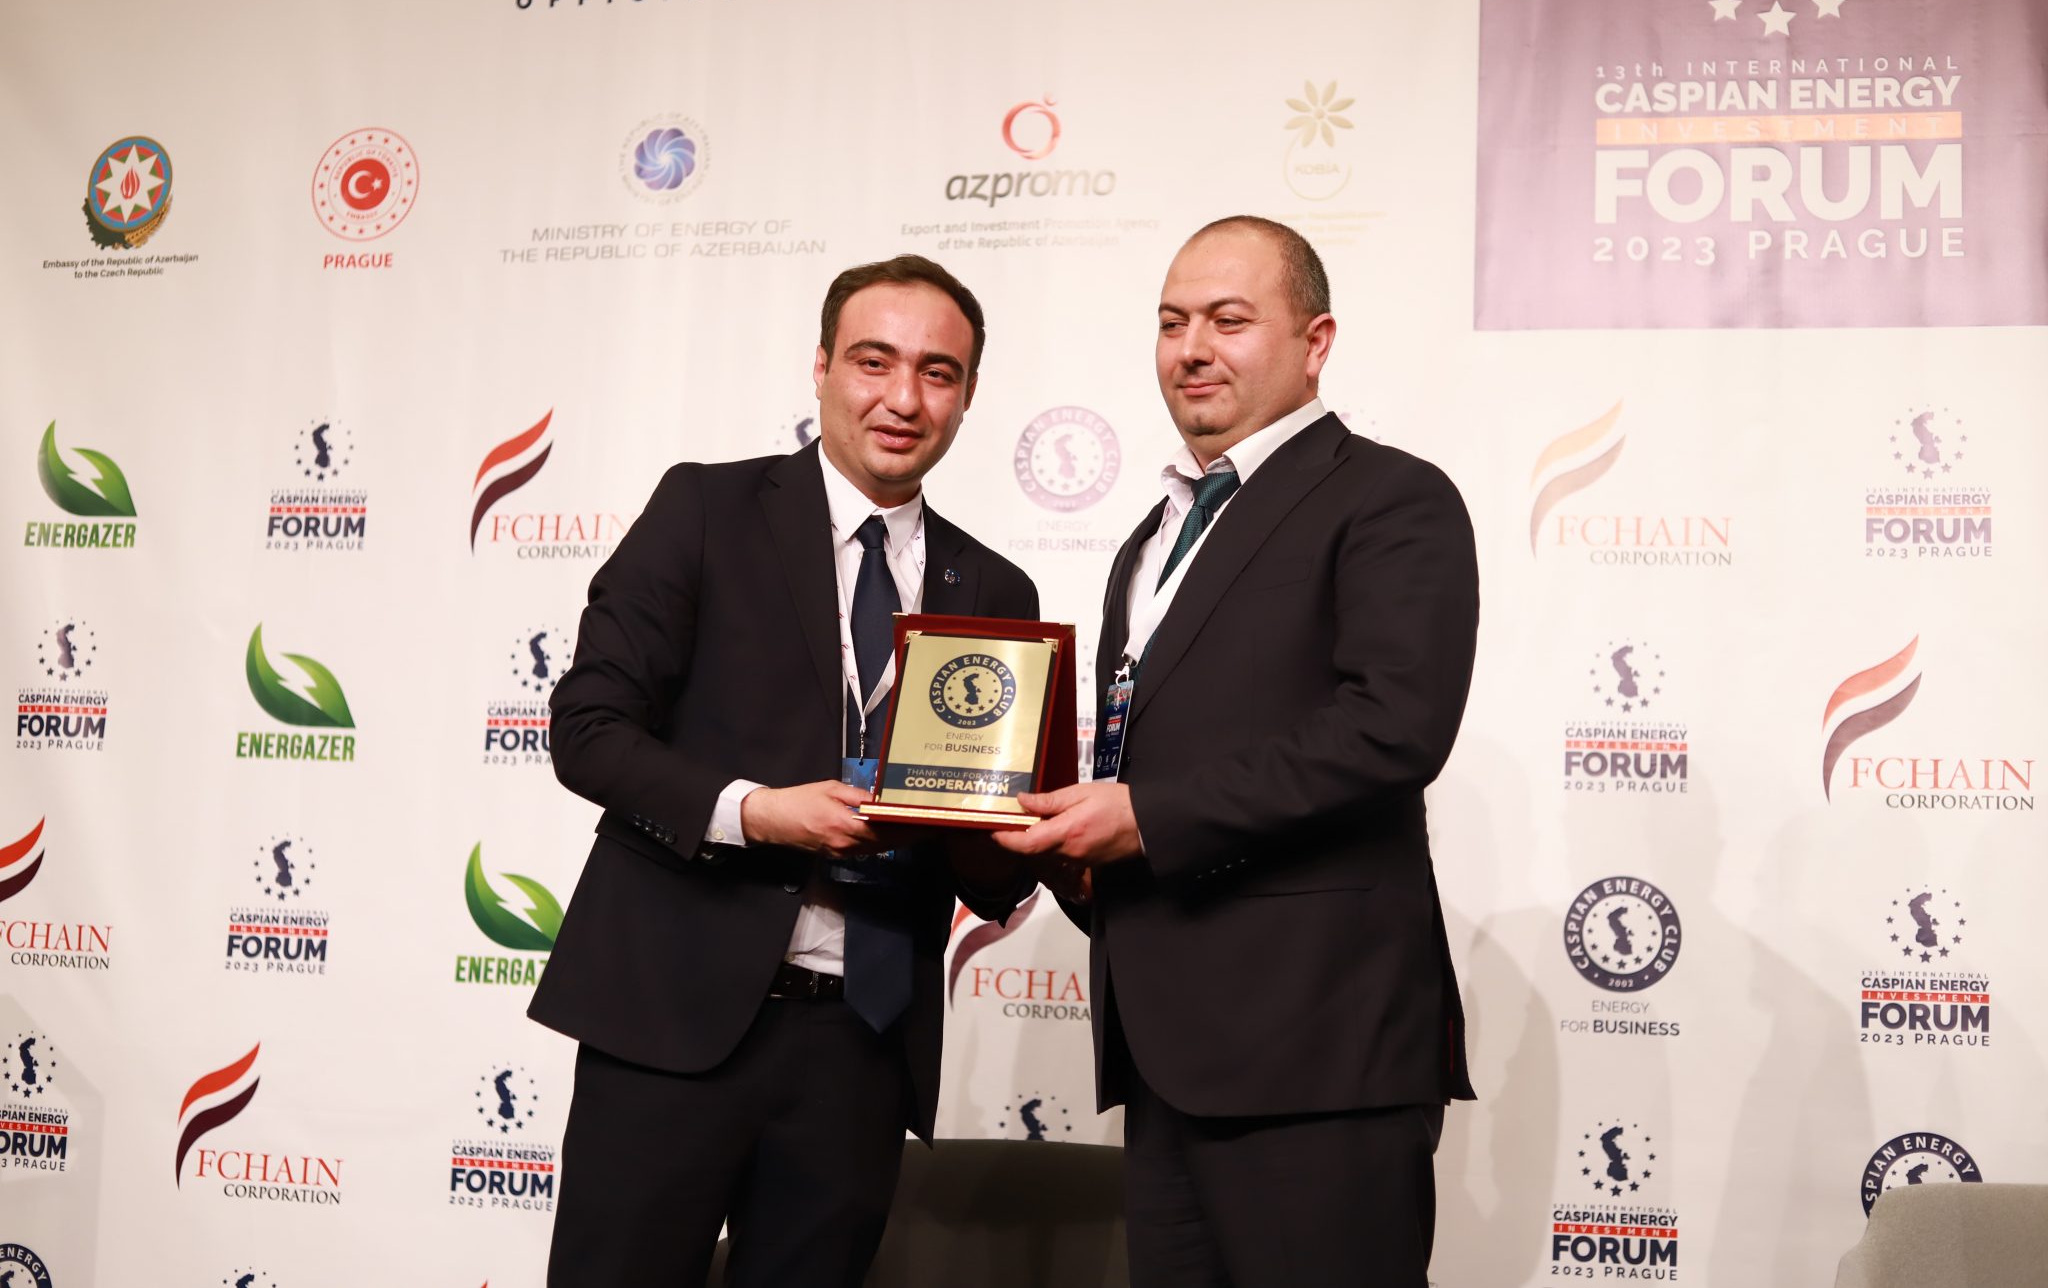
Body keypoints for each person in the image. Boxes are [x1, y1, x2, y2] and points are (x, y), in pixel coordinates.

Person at [531, 255, 1039, 1287]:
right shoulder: (706, 509)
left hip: (862, 1042)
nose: (903, 398)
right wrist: (756, 813)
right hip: (674, 1015)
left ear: (967, 393)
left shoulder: (994, 588)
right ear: (821, 367)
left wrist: (1017, 837)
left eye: (937, 372)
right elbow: (587, 727)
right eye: (873, 361)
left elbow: (991, 871)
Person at [998, 216, 1480, 1286]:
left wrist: (1146, 820)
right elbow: (1147, 755)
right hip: (1166, 1055)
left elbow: (1393, 726)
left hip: (1318, 1051)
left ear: (1315, 342)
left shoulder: (1390, 496)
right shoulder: (1151, 536)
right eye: (1171, 322)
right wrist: (1082, 855)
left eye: (1227, 319)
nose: (1191, 348)